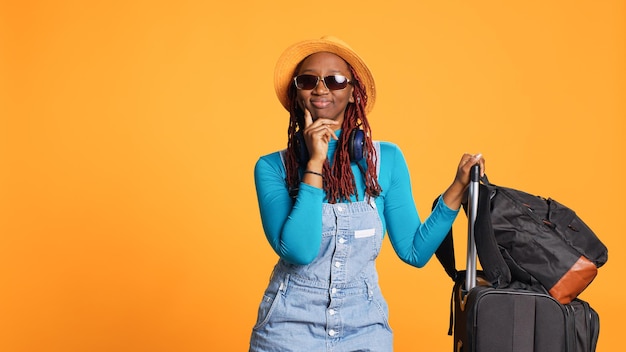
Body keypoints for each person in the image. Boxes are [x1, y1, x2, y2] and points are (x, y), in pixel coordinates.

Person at [249, 36, 485, 352]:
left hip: (364, 328)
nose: (321, 89)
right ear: (297, 92)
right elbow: (300, 251)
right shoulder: (272, 167)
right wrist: (315, 162)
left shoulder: (384, 160)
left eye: (335, 80)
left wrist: (458, 187)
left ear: (352, 92)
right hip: (287, 330)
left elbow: (414, 252)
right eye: (308, 80)